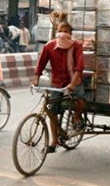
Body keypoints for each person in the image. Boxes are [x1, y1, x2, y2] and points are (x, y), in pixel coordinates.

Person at [32, 21, 85, 153]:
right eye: (61, 31)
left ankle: (77, 118)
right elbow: (41, 62)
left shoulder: (77, 46)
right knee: (52, 111)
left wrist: (72, 83)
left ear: (70, 35)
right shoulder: (49, 46)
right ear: (57, 32)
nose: (63, 34)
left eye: (66, 31)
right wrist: (36, 78)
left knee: (80, 99)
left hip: (74, 80)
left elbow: (79, 67)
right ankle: (54, 142)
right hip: (57, 82)